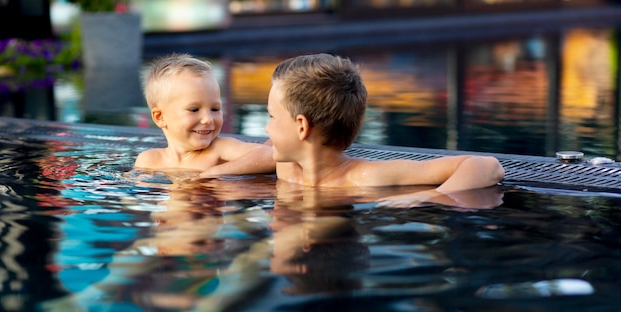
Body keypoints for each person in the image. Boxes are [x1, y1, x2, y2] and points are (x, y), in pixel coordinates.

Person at [264, 53, 505, 207]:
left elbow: (487, 166)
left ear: (302, 127)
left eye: (272, 117)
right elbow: (248, 153)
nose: (266, 128)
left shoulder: (365, 177)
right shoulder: (287, 169)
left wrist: (429, 197)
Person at [135, 53, 275, 176]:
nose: (208, 119)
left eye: (215, 109)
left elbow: (270, 156)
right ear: (160, 117)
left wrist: (215, 172)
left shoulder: (219, 149)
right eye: (194, 109)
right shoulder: (149, 160)